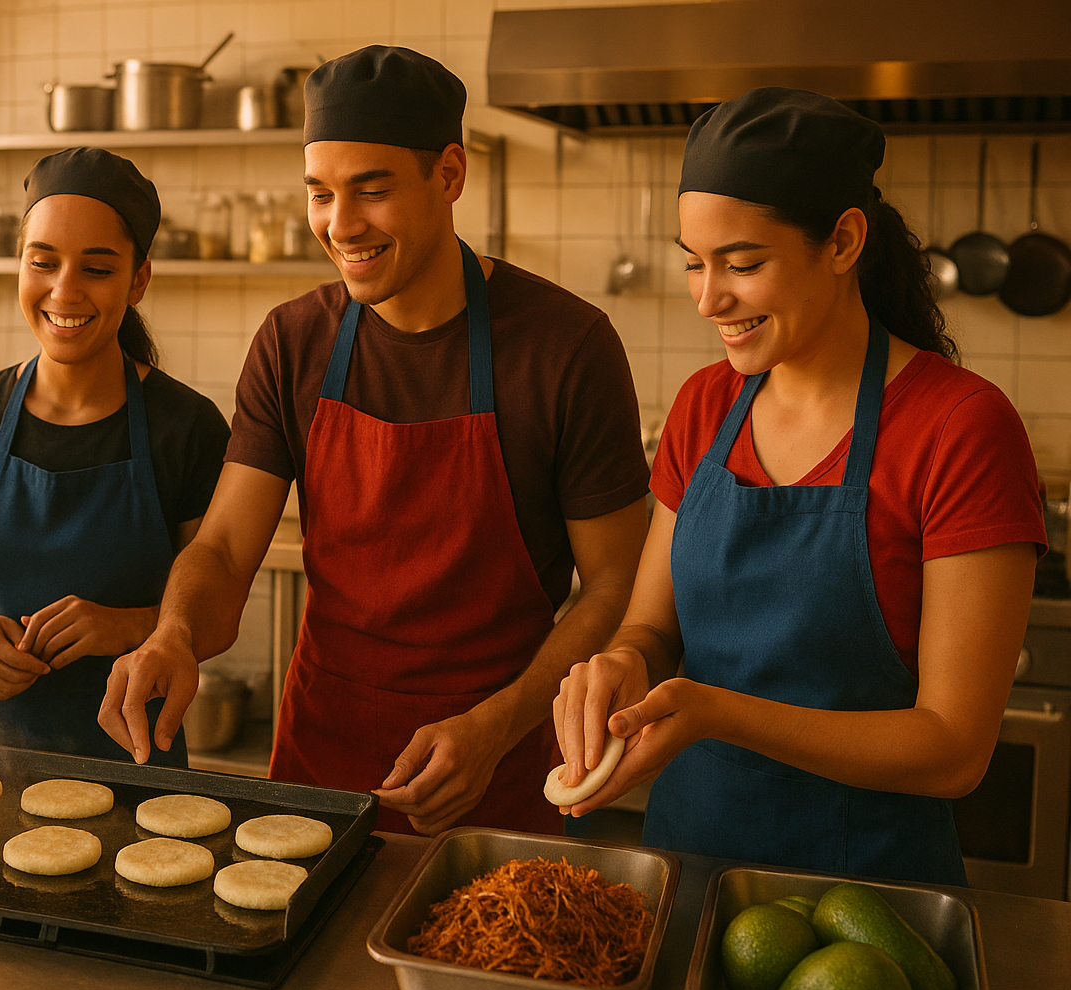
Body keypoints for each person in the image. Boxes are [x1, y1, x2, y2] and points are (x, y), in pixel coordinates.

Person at [101, 46, 652, 835]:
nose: (340, 224)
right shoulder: (294, 342)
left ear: (450, 175)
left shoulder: (565, 346)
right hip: (323, 768)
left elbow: (614, 587)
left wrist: (498, 728)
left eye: (373, 190)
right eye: (320, 194)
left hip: (496, 765)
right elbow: (223, 548)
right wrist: (176, 634)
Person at [552, 88, 1046, 885]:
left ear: (845, 239)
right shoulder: (703, 407)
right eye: (693, 262)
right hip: (685, 871)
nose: (709, 298)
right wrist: (621, 666)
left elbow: (954, 749)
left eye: (742, 264)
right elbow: (651, 628)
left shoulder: (961, 428)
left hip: (866, 905)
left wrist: (717, 712)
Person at [0, 148, 229, 763]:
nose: (64, 290)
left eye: (97, 270)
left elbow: (218, 614)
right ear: (20, 266)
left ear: (138, 280)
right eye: (43, 262)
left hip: (134, 774)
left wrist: (130, 627)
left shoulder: (186, 427)